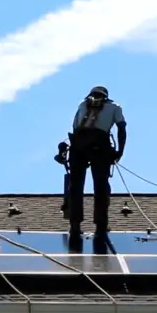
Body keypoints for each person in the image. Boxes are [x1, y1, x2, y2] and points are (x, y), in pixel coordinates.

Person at [67, 86, 126, 242]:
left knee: (75, 186)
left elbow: (74, 127)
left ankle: (75, 225)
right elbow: (121, 128)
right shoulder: (115, 106)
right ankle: (100, 225)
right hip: (100, 146)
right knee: (100, 185)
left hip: (78, 145)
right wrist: (120, 151)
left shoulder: (82, 104)